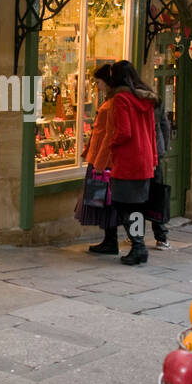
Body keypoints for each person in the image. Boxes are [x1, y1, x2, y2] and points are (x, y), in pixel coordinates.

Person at [105, 59, 159, 266]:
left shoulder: (121, 99)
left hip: (127, 161)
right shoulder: (146, 100)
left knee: (123, 204)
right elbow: (152, 133)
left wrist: (111, 143)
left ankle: (138, 246)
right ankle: (139, 246)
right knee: (136, 206)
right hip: (144, 160)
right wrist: (153, 159)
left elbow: (123, 131)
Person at [81, 63, 119, 255]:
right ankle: (109, 239)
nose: (97, 85)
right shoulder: (109, 102)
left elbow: (108, 135)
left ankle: (111, 240)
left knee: (105, 202)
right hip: (98, 157)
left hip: (102, 161)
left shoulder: (111, 105)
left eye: (98, 82)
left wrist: (100, 163)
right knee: (103, 202)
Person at [151, 98, 171, 249]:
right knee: (157, 196)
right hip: (155, 155)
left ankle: (136, 236)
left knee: (137, 198)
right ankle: (161, 236)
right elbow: (165, 126)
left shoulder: (132, 100)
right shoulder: (154, 100)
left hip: (142, 156)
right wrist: (162, 149)